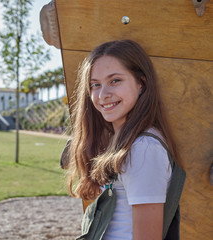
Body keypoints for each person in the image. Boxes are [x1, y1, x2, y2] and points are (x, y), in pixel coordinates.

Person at [67, 40, 181, 239]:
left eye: (115, 81)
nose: (103, 94)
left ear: (141, 84)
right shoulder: (123, 141)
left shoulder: (144, 149)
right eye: (95, 85)